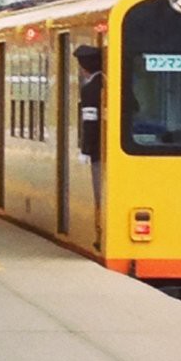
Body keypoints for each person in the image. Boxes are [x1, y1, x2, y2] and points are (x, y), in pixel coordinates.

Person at [74, 44, 104, 250]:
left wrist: (86, 150)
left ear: (83, 67)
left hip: (97, 152)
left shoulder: (91, 89)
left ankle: (99, 232)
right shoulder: (111, 83)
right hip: (109, 150)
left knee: (98, 193)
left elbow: (90, 122)